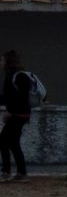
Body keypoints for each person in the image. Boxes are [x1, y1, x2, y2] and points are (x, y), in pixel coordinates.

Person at [1, 50, 32, 183]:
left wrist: (10, 112)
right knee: (13, 143)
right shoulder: (17, 75)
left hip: (18, 115)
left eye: (2, 60)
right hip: (20, 114)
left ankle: (6, 172)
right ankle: (20, 172)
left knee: (3, 141)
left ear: (8, 62)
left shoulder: (15, 76)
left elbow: (18, 97)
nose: (0, 63)